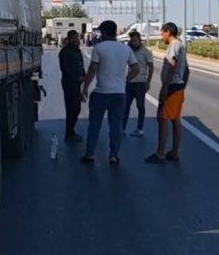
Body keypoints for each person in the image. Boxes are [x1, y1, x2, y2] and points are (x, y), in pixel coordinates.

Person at [80, 20, 139, 165]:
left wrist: (85, 87)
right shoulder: (125, 49)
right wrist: (124, 80)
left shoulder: (99, 48)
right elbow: (136, 68)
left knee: (95, 123)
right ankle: (113, 155)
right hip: (119, 93)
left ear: (104, 33)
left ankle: (90, 154)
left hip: (101, 92)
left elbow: (93, 69)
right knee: (116, 125)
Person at [146, 22, 190, 163]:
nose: (161, 36)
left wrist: (165, 87)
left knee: (163, 118)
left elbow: (172, 65)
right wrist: (183, 86)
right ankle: (175, 151)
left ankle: (161, 153)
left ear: (168, 32)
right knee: (175, 119)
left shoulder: (174, 46)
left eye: (162, 33)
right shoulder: (180, 46)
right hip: (178, 86)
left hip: (171, 86)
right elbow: (187, 71)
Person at [122, 31, 153, 137]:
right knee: (125, 107)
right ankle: (122, 129)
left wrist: (148, 81)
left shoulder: (146, 52)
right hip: (129, 83)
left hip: (140, 83)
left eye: (135, 41)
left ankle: (139, 129)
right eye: (131, 41)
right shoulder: (129, 50)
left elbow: (151, 66)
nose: (133, 43)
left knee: (140, 107)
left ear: (140, 40)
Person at [58, 30, 85, 143]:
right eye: (73, 38)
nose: (75, 40)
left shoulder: (77, 50)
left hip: (77, 83)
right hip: (69, 83)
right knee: (71, 108)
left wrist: (84, 76)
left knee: (77, 108)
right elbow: (65, 69)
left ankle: (71, 130)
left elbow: (80, 64)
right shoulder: (65, 52)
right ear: (68, 39)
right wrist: (76, 78)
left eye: (76, 38)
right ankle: (69, 133)